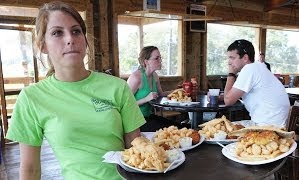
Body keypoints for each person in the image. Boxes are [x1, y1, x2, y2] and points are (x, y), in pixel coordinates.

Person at [6, 2, 145, 180]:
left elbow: (137, 150)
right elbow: (30, 169)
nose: (70, 39)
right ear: (43, 46)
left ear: (85, 40)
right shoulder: (31, 98)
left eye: (76, 31)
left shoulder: (117, 87)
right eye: (57, 33)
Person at [223, 39, 290, 127]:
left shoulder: (249, 69)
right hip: (276, 123)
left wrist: (231, 74)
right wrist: (221, 97)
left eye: (232, 58)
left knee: (225, 128)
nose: (229, 62)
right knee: (228, 127)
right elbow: (233, 95)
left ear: (245, 58)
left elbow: (228, 101)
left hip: (268, 127)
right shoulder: (259, 66)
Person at [127, 46, 181, 131]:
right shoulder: (135, 77)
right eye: (156, 58)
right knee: (173, 131)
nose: (160, 61)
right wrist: (146, 99)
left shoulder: (155, 76)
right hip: (135, 122)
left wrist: (176, 91)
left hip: (148, 117)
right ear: (146, 61)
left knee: (179, 127)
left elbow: (161, 94)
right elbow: (125, 104)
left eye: (160, 58)